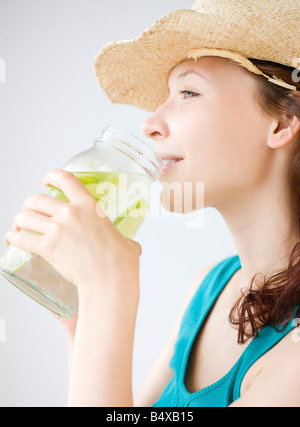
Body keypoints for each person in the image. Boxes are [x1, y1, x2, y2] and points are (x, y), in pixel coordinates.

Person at [4, 0, 300, 407]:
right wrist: (84, 319)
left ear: (282, 124)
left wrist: (111, 291)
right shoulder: (210, 288)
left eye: (188, 92)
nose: (149, 123)